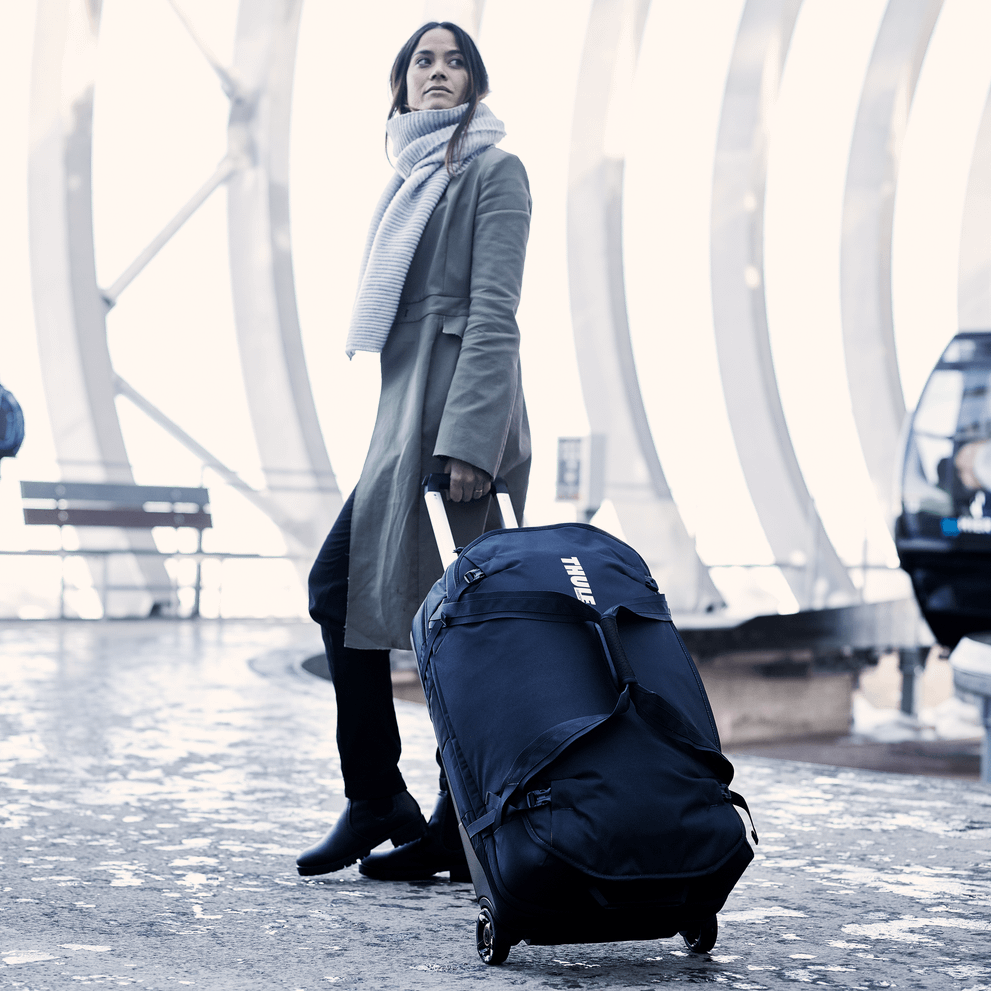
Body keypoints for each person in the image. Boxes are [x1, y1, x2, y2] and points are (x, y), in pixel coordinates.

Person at [297, 22, 531, 881]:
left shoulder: (494, 171)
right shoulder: (407, 181)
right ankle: (380, 799)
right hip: (400, 430)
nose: (438, 72)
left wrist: (470, 440)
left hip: (457, 426)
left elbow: (496, 309)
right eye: (421, 62)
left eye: (453, 60)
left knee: (460, 626)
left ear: (475, 81)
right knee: (339, 592)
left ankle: (455, 823)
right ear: (400, 87)